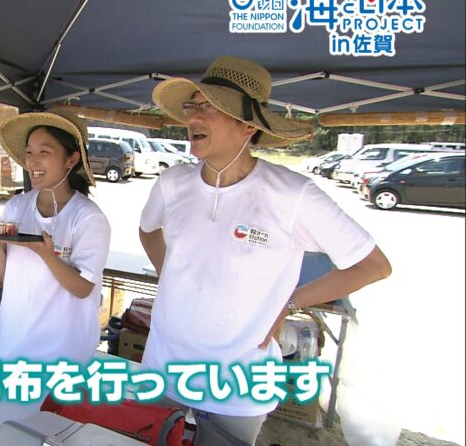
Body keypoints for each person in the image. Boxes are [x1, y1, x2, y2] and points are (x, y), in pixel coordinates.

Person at [139, 56, 392, 444]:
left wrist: (289, 306)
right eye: (192, 106)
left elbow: (371, 265)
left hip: (239, 385)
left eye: (209, 107)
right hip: (164, 367)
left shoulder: (292, 195)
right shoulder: (173, 182)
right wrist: (170, 275)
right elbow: (148, 230)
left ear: (246, 125)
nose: (193, 117)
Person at [0, 109, 111, 364]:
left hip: (62, 356)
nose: (32, 161)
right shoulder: (16, 207)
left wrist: (47, 254)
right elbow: (5, 275)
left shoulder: (88, 218)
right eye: (29, 152)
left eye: (44, 152)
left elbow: (83, 288)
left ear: (71, 159)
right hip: (11, 344)